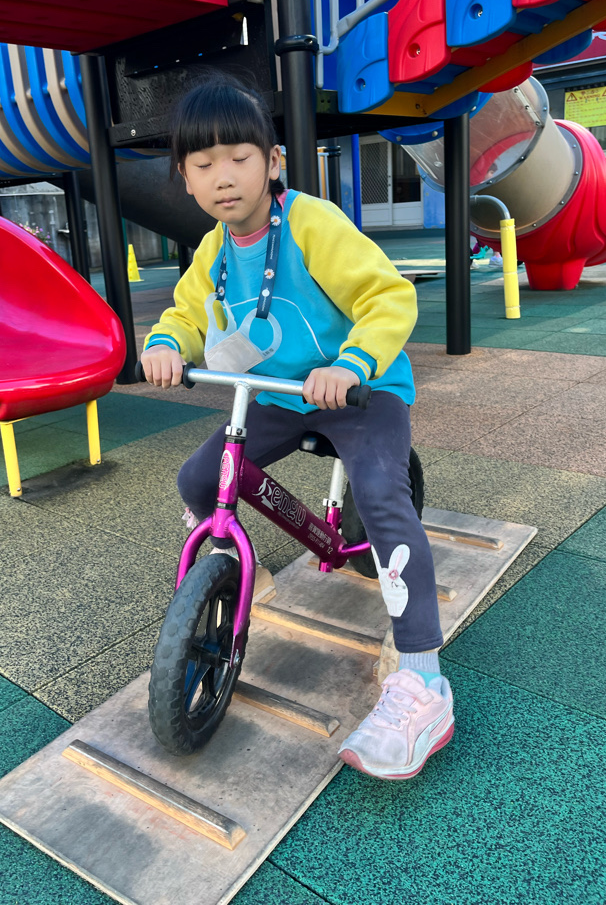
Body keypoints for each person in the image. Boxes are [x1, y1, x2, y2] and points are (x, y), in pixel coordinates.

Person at [139, 76, 454, 781]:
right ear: (185, 178)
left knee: (383, 496)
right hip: (281, 393)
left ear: (273, 161)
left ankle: (425, 679)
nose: (223, 177)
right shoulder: (214, 250)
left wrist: (353, 361)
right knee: (200, 479)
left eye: (239, 157)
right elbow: (187, 314)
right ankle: (232, 577)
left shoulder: (311, 223)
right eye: (204, 164)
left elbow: (386, 295)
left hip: (360, 387)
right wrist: (165, 344)